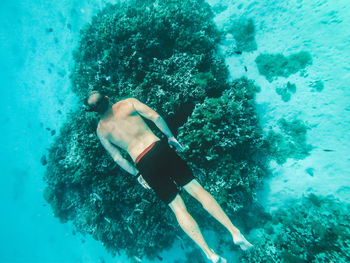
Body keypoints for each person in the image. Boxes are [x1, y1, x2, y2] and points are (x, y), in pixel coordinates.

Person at [85, 91, 253, 263]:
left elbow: (117, 158)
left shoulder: (101, 131)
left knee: (177, 208)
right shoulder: (128, 103)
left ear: (93, 112)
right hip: (159, 148)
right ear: (107, 98)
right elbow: (155, 117)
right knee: (196, 190)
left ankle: (210, 254)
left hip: (143, 164)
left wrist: (137, 175)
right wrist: (170, 137)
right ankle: (234, 231)